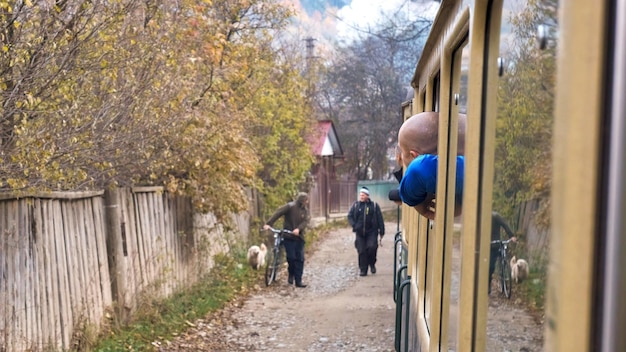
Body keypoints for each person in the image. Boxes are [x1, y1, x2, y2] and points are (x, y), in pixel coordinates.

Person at [395, 111, 466, 219]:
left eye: (403, 153)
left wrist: (423, 210)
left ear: (414, 155)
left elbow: (418, 170)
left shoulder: (421, 167)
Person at [263, 192, 310, 288]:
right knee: (291, 258)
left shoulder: (305, 211)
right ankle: (291, 273)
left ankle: (298, 281)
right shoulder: (290, 206)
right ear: (301, 201)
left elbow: (306, 221)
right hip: (288, 236)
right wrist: (269, 223)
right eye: (306, 200)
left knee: (300, 259)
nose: (307, 202)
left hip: (299, 237)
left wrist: (298, 229)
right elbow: (278, 213)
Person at [347, 187, 385, 276]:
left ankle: (372, 263)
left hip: (372, 232)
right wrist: (354, 225)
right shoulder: (356, 205)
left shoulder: (374, 206)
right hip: (360, 232)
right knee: (361, 251)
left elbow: (380, 219)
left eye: (363, 195)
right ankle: (363, 269)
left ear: (367, 196)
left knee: (371, 247)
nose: (361, 196)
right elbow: (350, 216)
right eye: (360, 195)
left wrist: (382, 231)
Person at [488, 211, 517, 295]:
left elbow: (505, 225)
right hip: (488, 244)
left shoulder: (495, 216)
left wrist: (511, 236)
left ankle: (503, 275)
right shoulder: (482, 216)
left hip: (496, 244)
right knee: (490, 266)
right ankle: (488, 283)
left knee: (497, 261)